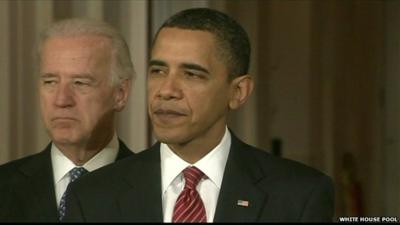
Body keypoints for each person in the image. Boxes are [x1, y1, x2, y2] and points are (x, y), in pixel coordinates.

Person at [63, 8, 335, 222]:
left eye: (191, 74)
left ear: (238, 92)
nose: (166, 90)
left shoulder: (298, 195)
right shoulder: (92, 196)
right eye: (158, 71)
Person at [0, 18, 136, 222]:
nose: (62, 100)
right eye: (50, 82)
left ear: (120, 94)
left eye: (80, 83)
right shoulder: (5, 186)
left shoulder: (154, 185)